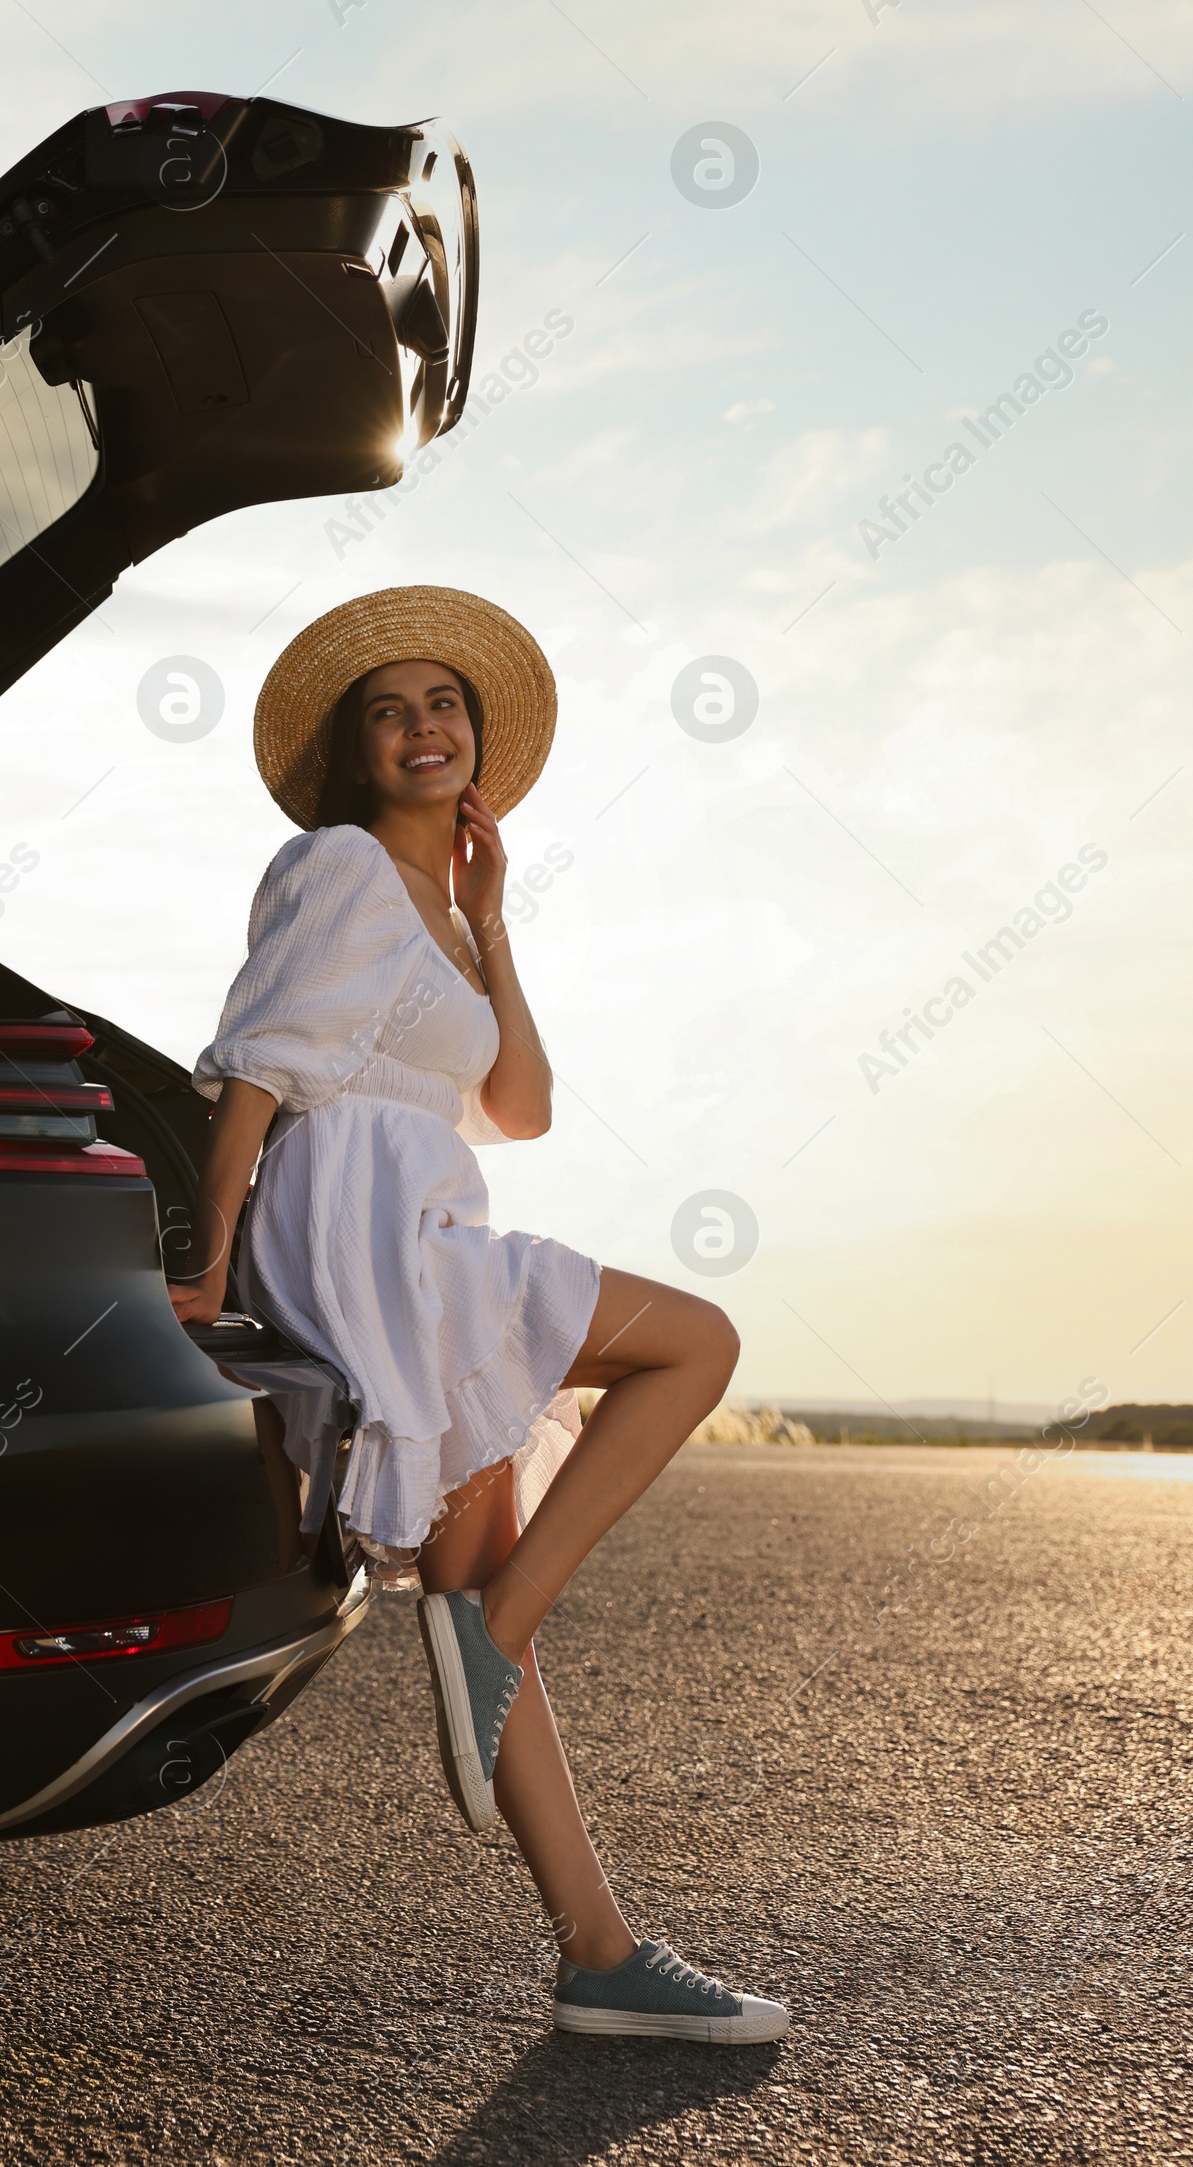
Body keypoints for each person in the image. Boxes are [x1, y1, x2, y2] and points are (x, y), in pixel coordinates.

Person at [168, 586, 789, 2044]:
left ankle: (598, 1953)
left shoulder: (444, 913)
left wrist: (493, 926)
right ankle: (501, 1632)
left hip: (429, 1210)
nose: (419, 726)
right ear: (354, 754)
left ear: (476, 742)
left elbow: (522, 1105)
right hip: (369, 1221)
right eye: (387, 711)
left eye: (441, 703)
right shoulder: (332, 867)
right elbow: (259, 1063)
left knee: (467, 1578)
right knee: (696, 1340)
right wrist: (209, 1256)